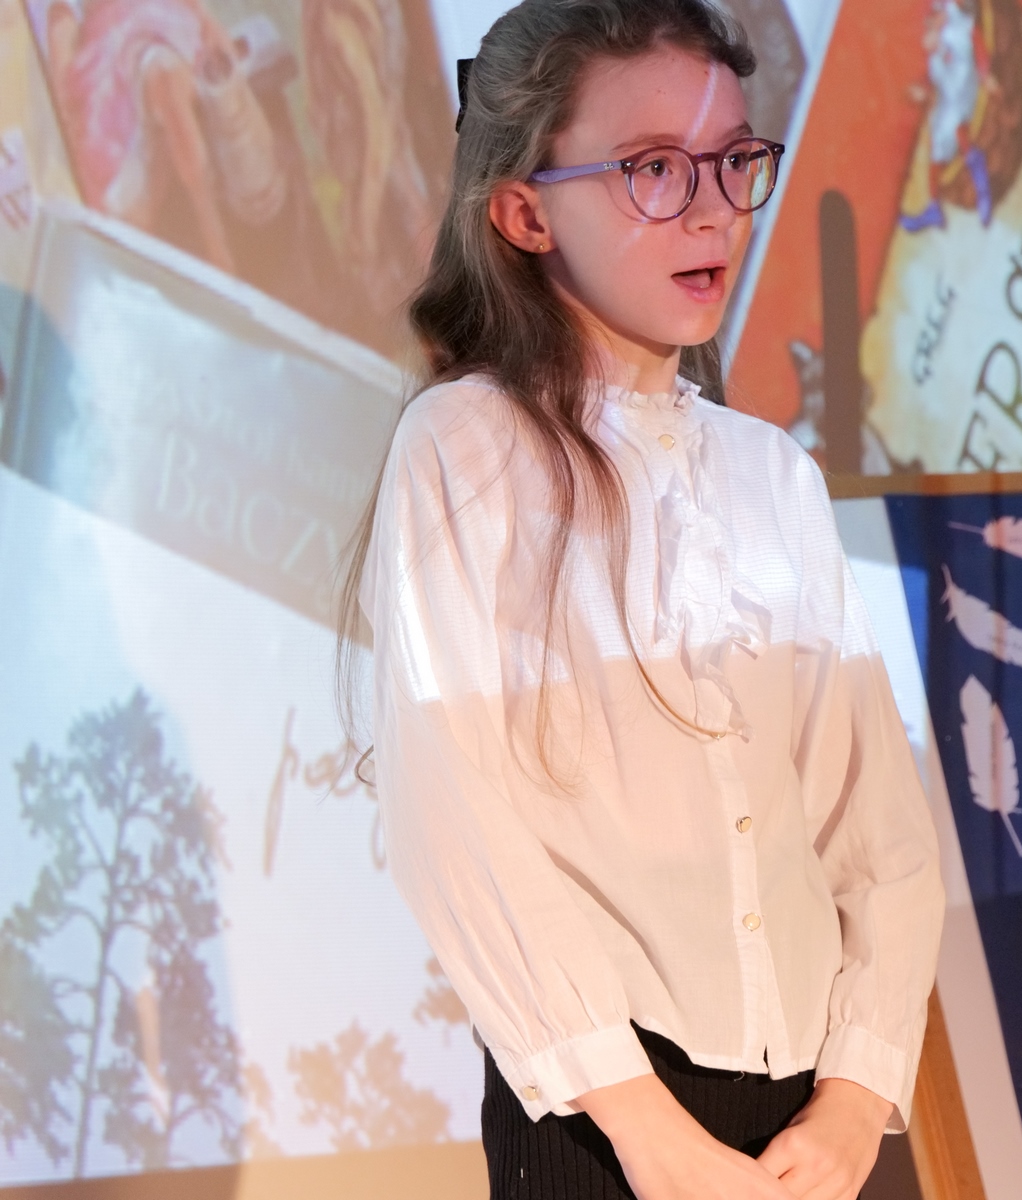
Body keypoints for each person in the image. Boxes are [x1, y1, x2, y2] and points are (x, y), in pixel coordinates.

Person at [342, 2, 945, 1197]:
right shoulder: (468, 449)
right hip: (598, 1121)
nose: (712, 208)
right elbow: (458, 819)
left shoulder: (772, 474)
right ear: (524, 212)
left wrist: (855, 1099)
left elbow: (875, 830)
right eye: (652, 169)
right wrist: (647, 1133)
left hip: (808, 1126)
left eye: (731, 160)